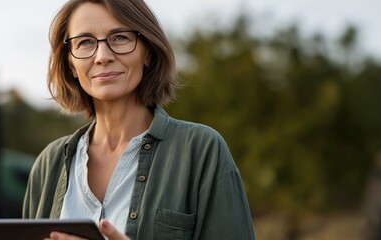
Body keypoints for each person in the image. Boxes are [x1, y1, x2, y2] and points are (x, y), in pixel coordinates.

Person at [22, 0, 255, 239]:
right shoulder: (48, 164)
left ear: (148, 53)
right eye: (85, 42)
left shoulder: (201, 150)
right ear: (71, 64)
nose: (102, 56)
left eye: (120, 37)